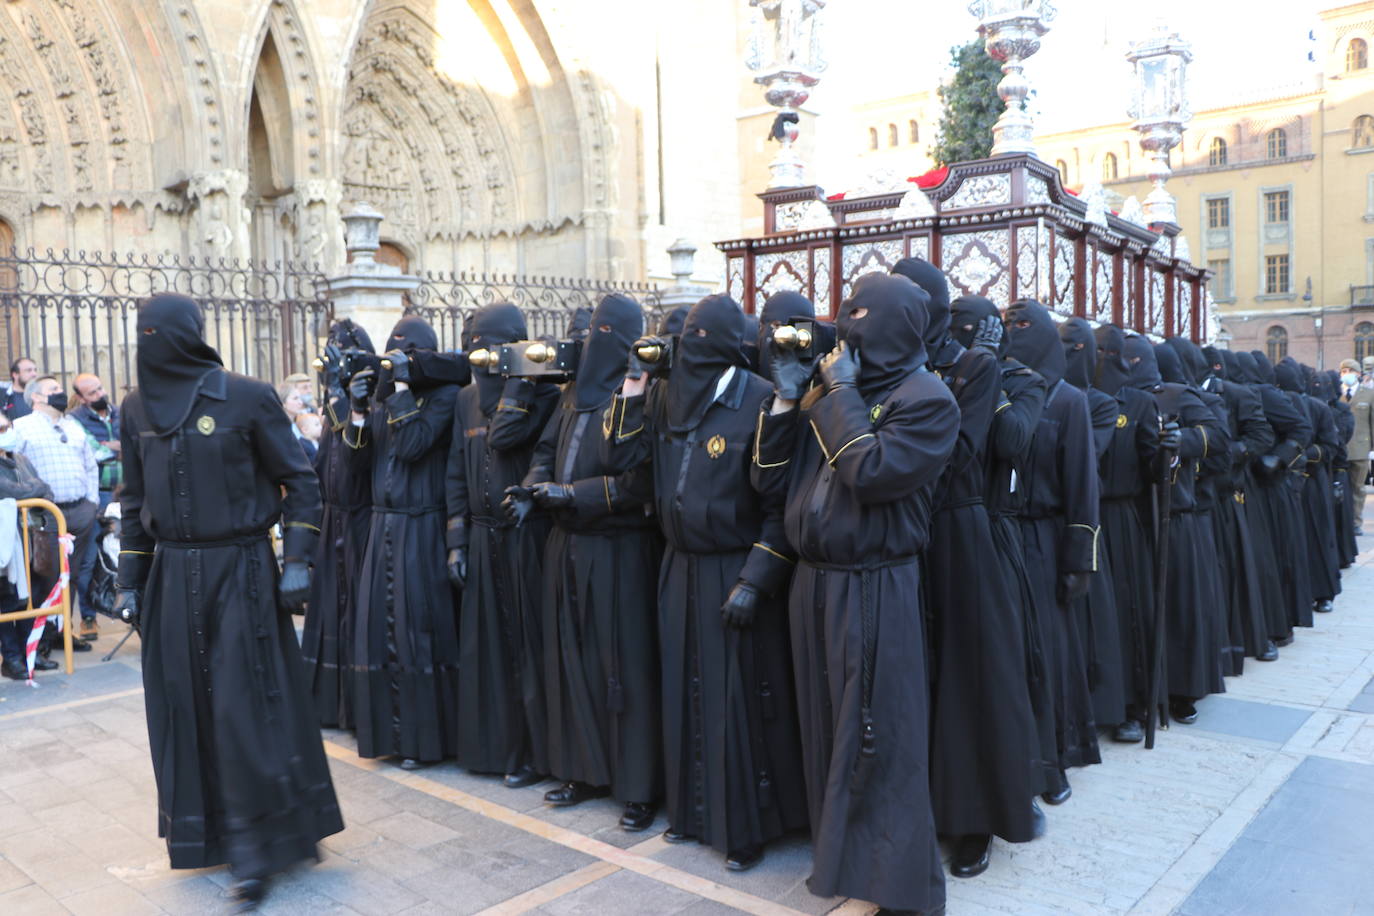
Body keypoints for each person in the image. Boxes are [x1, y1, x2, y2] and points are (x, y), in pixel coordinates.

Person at [113, 293, 341, 908]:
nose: (151, 342)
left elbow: (302, 482)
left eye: (161, 332)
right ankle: (209, 836)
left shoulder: (245, 396)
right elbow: (134, 501)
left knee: (244, 710)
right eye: (144, 333)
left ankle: (258, 849)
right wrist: (130, 579)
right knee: (184, 710)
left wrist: (297, 561)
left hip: (240, 571)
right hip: (172, 576)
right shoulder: (135, 409)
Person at [755, 273, 958, 913]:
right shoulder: (834, 393)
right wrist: (790, 402)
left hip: (874, 584)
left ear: (898, 326)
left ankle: (898, 887)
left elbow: (870, 472)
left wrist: (836, 394)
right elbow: (768, 485)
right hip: (814, 582)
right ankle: (845, 861)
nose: (849, 334)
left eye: (864, 321)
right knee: (827, 731)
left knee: (877, 733)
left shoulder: (927, 399)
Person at [605, 293, 806, 872]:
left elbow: (778, 502)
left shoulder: (760, 398)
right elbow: (619, 459)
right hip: (679, 566)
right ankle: (692, 813)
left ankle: (745, 827)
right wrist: (635, 387)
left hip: (732, 569)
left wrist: (755, 578)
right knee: (684, 692)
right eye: (683, 334)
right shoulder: (666, 395)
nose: (689, 347)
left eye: (700, 336)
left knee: (733, 703)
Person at [893, 259, 1042, 879]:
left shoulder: (972, 366)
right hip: (900, 531)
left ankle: (975, 819)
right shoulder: (890, 366)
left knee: (969, 679)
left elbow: (961, 454)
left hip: (957, 530)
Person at [506, 293, 663, 831]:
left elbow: (639, 481)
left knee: (624, 669)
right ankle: (581, 768)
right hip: (565, 546)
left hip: (617, 550)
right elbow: (546, 453)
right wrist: (531, 489)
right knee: (569, 661)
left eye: (608, 331)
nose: (598, 339)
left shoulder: (642, 395)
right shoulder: (574, 393)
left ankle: (637, 787)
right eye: (594, 327)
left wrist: (573, 496)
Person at [446, 303, 560, 786]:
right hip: (479, 537)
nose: (478, 352)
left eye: (487, 343)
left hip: (523, 538)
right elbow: (456, 471)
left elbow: (506, 441)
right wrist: (456, 543)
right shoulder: (464, 399)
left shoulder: (545, 394)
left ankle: (532, 753)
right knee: (486, 649)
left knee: (525, 648)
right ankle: (488, 748)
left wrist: (520, 381)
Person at [950, 294, 1056, 797]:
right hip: (948, 528)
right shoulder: (943, 369)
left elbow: (1013, 439)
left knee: (1005, 663)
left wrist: (986, 375)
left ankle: (1030, 774)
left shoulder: (1022, 381)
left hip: (996, 526)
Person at [347, 316, 462, 768]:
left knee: (419, 636)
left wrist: (399, 392)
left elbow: (413, 444)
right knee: (380, 634)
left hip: (422, 528)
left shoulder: (446, 398)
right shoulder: (383, 400)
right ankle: (389, 735)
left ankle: (423, 742)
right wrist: (358, 412)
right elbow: (358, 464)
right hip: (384, 528)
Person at [1004, 299, 1101, 804]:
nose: (1014, 333)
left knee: (1047, 651)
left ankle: (1053, 757)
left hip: (1043, 539)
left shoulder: (1067, 400)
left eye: (1024, 325)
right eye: (1007, 325)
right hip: (998, 536)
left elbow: (1082, 485)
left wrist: (1078, 558)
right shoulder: (994, 389)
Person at [1127, 339, 1226, 724]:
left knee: (1178, 606)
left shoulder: (1176, 396)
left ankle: (1182, 688)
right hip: (1131, 516)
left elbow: (1218, 438)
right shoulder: (1112, 396)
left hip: (1173, 512)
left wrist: (1184, 441)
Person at [300, 319, 375, 729]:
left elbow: (354, 457)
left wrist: (338, 395)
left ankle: (357, 707)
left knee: (357, 611)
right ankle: (329, 704)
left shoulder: (365, 401)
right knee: (331, 607)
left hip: (361, 520)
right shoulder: (332, 410)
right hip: (333, 521)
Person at [1092, 325, 1162, 742]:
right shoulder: (1072, 395)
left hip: (1120, 519)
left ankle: (1130, 706)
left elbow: (1152, 467)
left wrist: (1168, 455)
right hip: (1079, 515)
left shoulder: (1137, 403)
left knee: (1125, 613)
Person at [1060, 318, 1127, 735]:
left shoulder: (1100, 403)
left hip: (1086, 514)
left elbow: (1087, 454)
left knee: (1094, 622)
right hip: (1043, 521)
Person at [14, 376, 100, 642]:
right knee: (45, 575)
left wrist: (92, 502)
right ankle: (38, 637)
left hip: (79, 512)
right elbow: (12, 469)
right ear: (37, 397)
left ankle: (62, 632)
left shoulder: (72, 426)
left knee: (71, 575)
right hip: (44, 516)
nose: (61, 393)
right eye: (54, 389)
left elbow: (90, 465)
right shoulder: (21, 428)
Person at [0, 410, 56, 679]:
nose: (6, 433)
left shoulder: (19, 458)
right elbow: (10, 491)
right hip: (6, 547)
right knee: (8, 601)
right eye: (0, 429)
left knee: (32, 598)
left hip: (31, 539)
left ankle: (31, 653)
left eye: (6, 426)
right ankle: (11, 659)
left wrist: (34, 489)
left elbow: (47, 489)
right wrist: (34, 490)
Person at [70, 373, 122, 629]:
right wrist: (118, 448)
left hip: (127, 492)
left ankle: (131, 609)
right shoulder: (75, 420)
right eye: (92, 393)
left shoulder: (122, 412)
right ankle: (88, 617)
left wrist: (114, 445)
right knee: (89, 559)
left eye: (100, 388)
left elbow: (139, 446)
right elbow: (94, 452)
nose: (100, 394)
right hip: (97, 494)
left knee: (131, 553)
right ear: (80, 398)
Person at [1338, 358, 1371, 534]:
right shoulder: (1336, 393)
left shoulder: (1368, 394)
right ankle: (1341, 520)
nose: (1347, 374)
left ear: (1358, 374)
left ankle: (1355, 522)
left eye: (1350, 371)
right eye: (1343, 371)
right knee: (1341, 487)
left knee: (1358, 488)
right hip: (1340, 449)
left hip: (1360, 448)